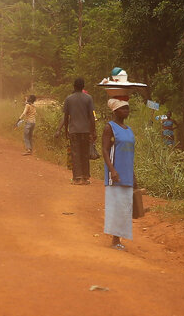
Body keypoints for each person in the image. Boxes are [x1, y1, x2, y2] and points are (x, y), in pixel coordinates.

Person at [102, 98, 135, 250]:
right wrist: (112, 170)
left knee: (125, 207)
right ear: (115, 111)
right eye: (123, 109)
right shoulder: (110, 127)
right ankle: (115, 240)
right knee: (116, 206)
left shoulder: (128, 129)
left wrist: (133, 174)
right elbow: (105, 150)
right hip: (115, 175)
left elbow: (130, 153)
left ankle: (119, 238)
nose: (126, 111)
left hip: (127, 173)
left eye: (127, 109)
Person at [55, 78, 96, 185]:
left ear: (74, 86)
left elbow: (66, 117)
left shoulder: (69, 99)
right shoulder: (88, 98)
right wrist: (93, 131)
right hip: (86, 131)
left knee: (75, 154)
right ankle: (86, 177)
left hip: (73, 130)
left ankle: (77, 178)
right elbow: (91, 116)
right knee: (85, 154)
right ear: (83, 87)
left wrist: (65, 131)